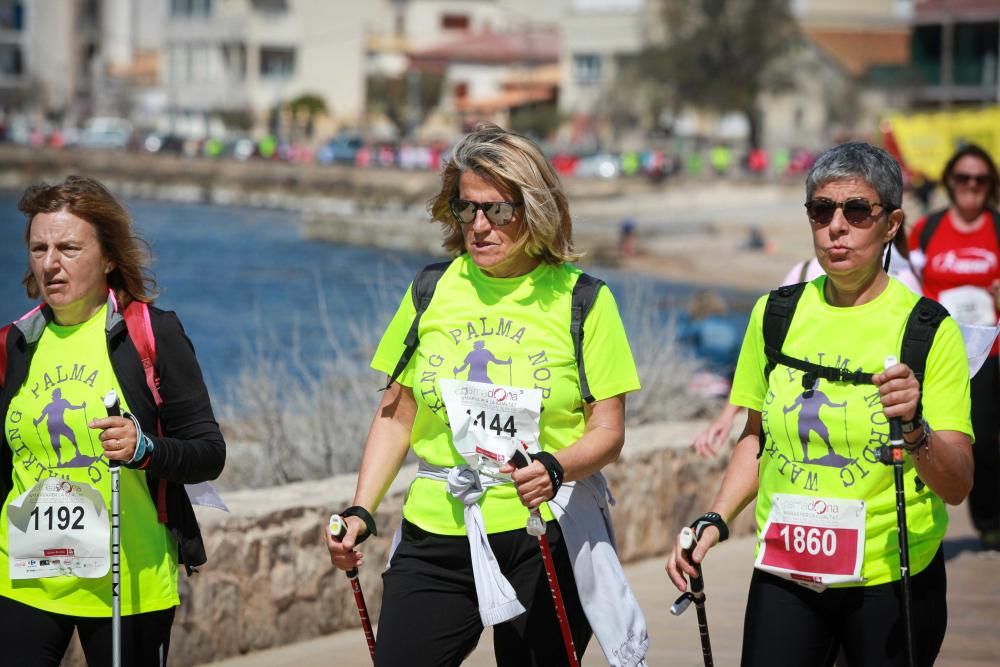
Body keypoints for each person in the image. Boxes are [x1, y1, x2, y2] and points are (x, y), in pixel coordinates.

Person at [325, 124, 648, 667]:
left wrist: (554, 465)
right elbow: (395, 417)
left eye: (498, 210)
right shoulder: (432, 289)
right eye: (466, 209)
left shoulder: (583, 299)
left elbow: (608, 433)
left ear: (536, 209)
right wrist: (362, 508)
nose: (479, 225)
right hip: (438, 529)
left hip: (541, 530)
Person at [668, 142, 974, 666]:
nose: (837, 226)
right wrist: (714, 521)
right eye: (821, 210)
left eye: (857, 210)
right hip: (788, 568)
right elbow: (755, 440)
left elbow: (958, 483)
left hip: (889, 575)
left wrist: (916, 429)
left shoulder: (927, 330)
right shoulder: (775, 315)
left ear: (891, 223)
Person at [0, 176, 226, 665]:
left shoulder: (150, 333)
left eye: (68, 247)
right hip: (23, 579)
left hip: (129, 583)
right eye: (38, 248)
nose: (50, 263)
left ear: (107, 258)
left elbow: (209, 452)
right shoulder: (15, 343)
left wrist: (144, 448)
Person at [908, 143, 1000, 550]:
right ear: (949, 181)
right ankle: (921, 527)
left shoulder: (997, 228)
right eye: (963, 178)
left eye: (980, 179)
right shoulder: (925, 229)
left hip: (989, 354)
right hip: (939, 356)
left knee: (986, 440)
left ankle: (990, 522)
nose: (971, 186)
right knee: (930, 437)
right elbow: (904, 285)